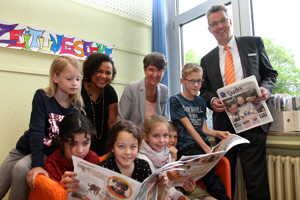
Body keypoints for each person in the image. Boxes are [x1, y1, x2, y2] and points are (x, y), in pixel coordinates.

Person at [199, 4, 278, 200]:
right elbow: (204, 90)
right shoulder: (206, 59)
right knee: (224, 176)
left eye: (223, 20)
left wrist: (265, 89)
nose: (220, 26)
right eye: (214, 23)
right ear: (209, 29)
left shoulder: (254, 43)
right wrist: (212, 101)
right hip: (223, 127)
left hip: (254, 120)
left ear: (230, 21)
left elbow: (270, 73)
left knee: (255, 178)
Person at [0, 55, 83, 200]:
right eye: (69, 79)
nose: (75, 83)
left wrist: (38, 165)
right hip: (25, 148)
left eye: (78, 79)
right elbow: (37, 132)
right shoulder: (42, 96)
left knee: (20, 169)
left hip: (47, 152)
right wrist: (37, 165)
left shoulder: (76, 106)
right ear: (55, 78)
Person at [169, 63, 230, 200]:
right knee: (212, 178)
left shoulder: (201, 101)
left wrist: (218, 133)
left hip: (201, 145)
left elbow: (203, 129)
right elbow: (190, 128)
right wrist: (207, 149)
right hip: (187, 147)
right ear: (182, 81)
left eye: (199, 81)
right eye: (192, 81)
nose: (196, 85)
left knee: (214, 176)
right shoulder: (176, 100)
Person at [99, 120, 168, 200]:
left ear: (138, 147)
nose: (127, 152)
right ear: (112, 147)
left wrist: (161, 188)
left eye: (133, 147)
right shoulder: (104, 167)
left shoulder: (143, 166)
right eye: (121, 146)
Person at [138, 114, 195, 200]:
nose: (161, 140)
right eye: (156, 136)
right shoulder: (142, 160)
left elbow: (170, 188)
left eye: (165, 135)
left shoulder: (166, 154)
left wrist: (179, 196)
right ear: (145, 136)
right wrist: (169, 179)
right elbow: (150, 193)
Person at [43, 113, 99, 191]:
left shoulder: (93, 159)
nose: (80, 151)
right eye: (73, 144)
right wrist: (61, 189)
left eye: (85, 143)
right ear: (61, 142)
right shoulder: (52, 165)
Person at [117, 52, 168, 131]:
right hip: (134, 139)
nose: (155, 74)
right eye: (151, 70)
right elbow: (121, 120)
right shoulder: (131, 88)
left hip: (156, 140)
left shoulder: (164, 90)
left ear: (163, 71)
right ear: (144, 69)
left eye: (158, 70)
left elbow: (163, 118)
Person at [81, 53, 118, 156]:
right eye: (99, 71)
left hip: (103, 144)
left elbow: (112, 122)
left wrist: (117, 143)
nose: (103, 76)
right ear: (91, 70)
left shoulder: (110, 92)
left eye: (108, 73)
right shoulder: (77, 88)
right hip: (80, 143)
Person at [168, 122, 216, 200]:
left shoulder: (180, 152)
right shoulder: (160, 156)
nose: (173, 140)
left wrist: (190, 182)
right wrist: (173, 158)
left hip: (184, 186)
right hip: (171, 190)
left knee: (208, 198)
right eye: (169, 136)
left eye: (175, 137)